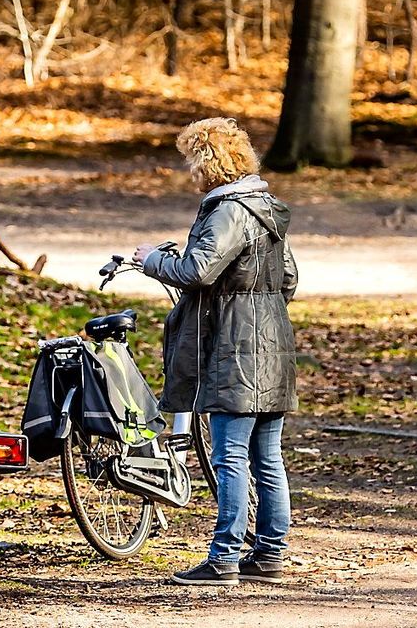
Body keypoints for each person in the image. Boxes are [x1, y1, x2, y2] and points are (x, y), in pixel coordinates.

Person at [133, 117, 298, 586]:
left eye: (192, 160)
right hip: (273, 343)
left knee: (230, 457)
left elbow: (200, 270)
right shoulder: (266, 207)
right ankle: (269, 555)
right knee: (267, 456)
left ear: (208, 162)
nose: (189, 170)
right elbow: (288, 279)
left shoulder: (227, 211)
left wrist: (150, 259)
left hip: (236, 349)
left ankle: (224, 557)